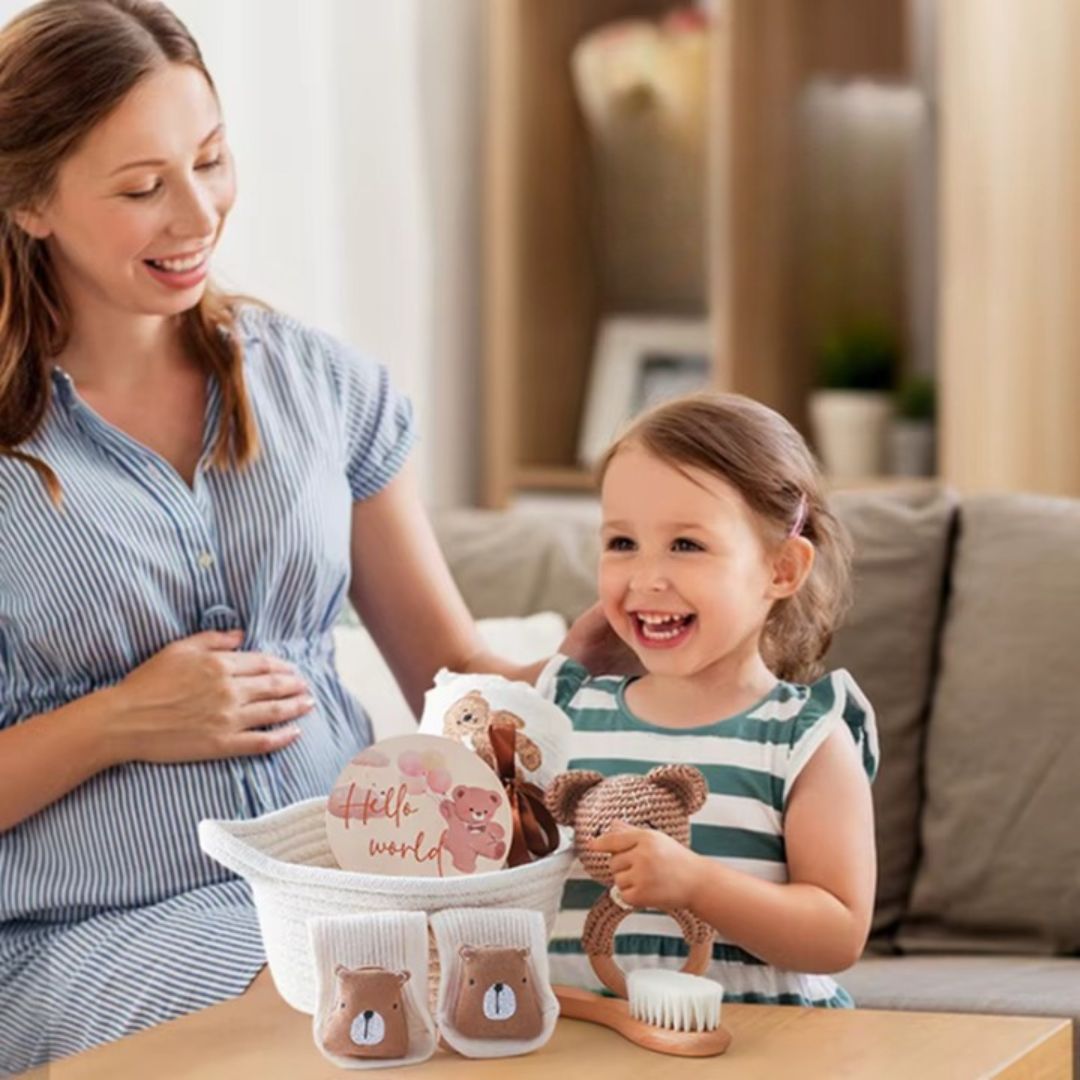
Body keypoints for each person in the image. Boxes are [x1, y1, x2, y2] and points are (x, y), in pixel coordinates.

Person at [0, 1, 616, 1070]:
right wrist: (116, 722)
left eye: (210, 161)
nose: (197, 215)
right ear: (31, 200)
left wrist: (584, 667)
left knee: (477, 975)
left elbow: (453, 674)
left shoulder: (318, 386)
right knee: (366, 985)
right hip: (78, 937)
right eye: (144, 188)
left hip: (348, 885)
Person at [541, 392, 879, 1007]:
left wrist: (697, 883)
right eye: (622, 544)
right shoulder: (568, 720)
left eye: (686, 545)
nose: (646, 578)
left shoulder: (804, 738)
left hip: (766, 1057)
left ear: (781, 569)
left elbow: (837, 933)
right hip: (587, 1054)